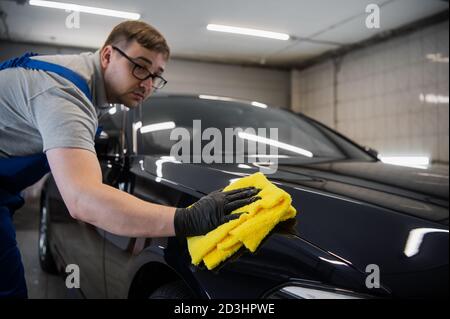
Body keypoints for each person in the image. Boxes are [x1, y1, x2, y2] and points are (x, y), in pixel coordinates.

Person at [0, 20, 260, 298]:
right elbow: (82, 199)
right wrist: (187, 218)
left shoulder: (79, 85)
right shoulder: (65, 95)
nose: (147, 84)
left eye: (156, 75)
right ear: (108, 55)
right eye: (139, 66)